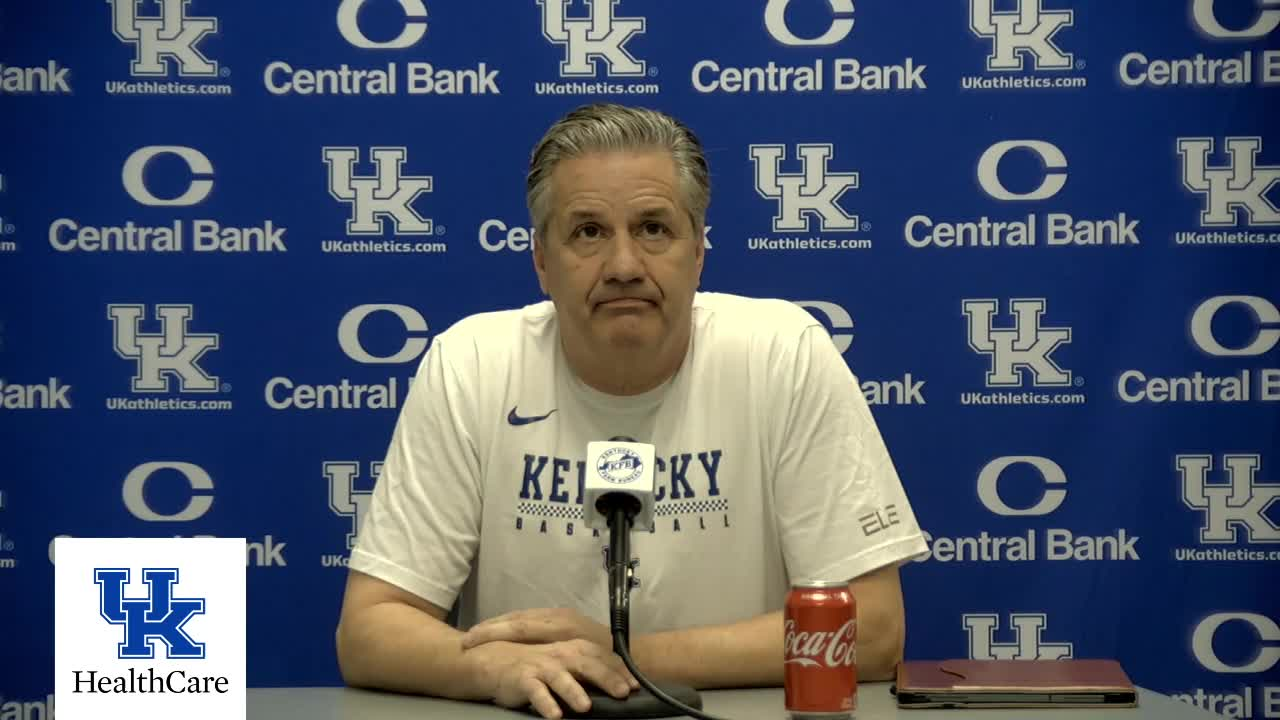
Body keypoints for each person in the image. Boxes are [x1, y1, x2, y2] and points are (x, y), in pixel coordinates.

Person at [335, 102, 929, 719]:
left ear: (698, 251)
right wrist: (489, 666)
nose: (623, 267)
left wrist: (622, 656)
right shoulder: (473, 364)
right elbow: (369, 631)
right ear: (541, 260)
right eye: (588, 232)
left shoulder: (783, 353)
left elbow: (875, 629)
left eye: (653, 228)